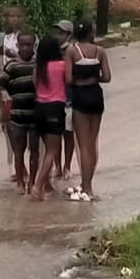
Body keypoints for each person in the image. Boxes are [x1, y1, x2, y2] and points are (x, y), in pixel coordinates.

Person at [65, 21, 112, 200]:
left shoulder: (71, 51)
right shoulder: (99, 51)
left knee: (83, 144)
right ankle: (87, 185)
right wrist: (94, 77)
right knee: (92, 143)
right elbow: (107, 77)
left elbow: (68, 79)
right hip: (96, 95)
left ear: (75, 33)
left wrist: (80, 78)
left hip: (80, 96)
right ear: (91, 32)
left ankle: (87, 188)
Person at [0, 32, 39, 194]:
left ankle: (32, 182)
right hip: (17, 114)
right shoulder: (11, 66)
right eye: (22, 44)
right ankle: (20, 181)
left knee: (35, 150)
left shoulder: (38, 64)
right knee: (18, 150)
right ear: (17, 45)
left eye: (29, 44)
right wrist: (3, 107)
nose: (26, 48)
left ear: (34, 45)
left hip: (35, 115)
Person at [31, 36, 67, 200]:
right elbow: (68, 82)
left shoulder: (38, 67)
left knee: (46, 150)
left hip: (38, 108)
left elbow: (34, 85)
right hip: (55, 108)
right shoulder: (61, 66)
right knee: (52, 151)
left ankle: (45, 185)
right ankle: (38, 186)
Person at [0, 7, 26, 179]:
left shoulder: (27, 38)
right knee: (8, 126)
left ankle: (26, 165)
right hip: (6, 88)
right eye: (10, 16)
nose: (13, 19)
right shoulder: (1, 39)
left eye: (17, 15)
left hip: (23, 85)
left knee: (24, 126)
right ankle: (14, 166)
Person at [53, 20, 78, 180]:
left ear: (69, 35)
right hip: (54, 98)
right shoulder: (52, 51)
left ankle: (67, 165)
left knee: (68, 134)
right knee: (55, 135)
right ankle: (57, 166)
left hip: (69, 99)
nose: (57, 36)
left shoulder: (73, 51)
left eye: (61, 33)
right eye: (57, 32)